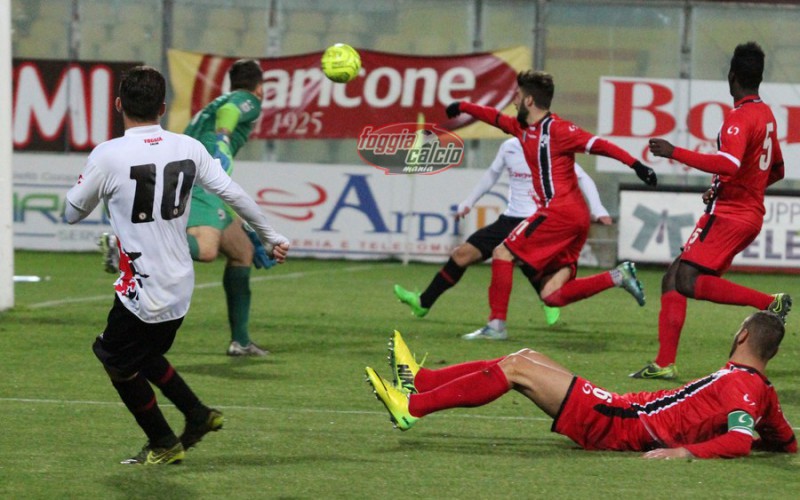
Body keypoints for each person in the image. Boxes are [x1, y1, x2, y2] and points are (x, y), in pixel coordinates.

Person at [64, 66, 290, 465]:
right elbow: (232, 192)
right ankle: (198, 415)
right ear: (163, 108)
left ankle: (163, 441)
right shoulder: (188, 147)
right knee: (145, 354)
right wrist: (271, 236)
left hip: (143, 288)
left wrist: (87, 189)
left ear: (118, 104)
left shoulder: (108, 154)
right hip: (180, 285)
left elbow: (71, 212)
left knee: (114, 359)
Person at [366, 312, 796, 459]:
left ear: (742, 337)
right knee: (528, 356)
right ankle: (420, 381)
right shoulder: (762, 390)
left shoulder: (742, 387)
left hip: (624, 424)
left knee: (517, 367)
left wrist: (685, 450)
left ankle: (412, 408)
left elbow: (740, 440)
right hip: (625, 410)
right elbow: (785, 442)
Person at [445, 70, 657, 340]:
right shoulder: (522, 128)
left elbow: (600, 145)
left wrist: (637, 165)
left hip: (560, 212)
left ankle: (496, 326)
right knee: (552, 295)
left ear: (530, 101)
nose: (513, 100)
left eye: (518, 96)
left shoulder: (559, 130)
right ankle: (618, 276)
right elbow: (494, 117)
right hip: (572, 218)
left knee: (502, 253)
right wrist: (463, 107)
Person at [630, 42, 791, 380]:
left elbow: (729, 164)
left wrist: (674, 152)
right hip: (741, 212)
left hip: (731, 216)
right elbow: (776, 170)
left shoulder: (739, 118)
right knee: (673, 277)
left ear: (732, 77)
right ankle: (664, 363)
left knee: (687, 280)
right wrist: (726, 188)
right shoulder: (766, 115)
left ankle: (769, 302)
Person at [393, 137, 613, 327]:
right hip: (510, 218)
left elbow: (582, 176)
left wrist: (597, 208)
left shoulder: (550, 146)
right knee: (462, 255)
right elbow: (491, 175)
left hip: (539, 220)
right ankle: (423, 303)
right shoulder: (509, 146)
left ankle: (541, 302)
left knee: (524, 262)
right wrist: (469, 202)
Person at [184, 58, 275, 357]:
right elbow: (231, 112)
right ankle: (130, 243)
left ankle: (241, 341)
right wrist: (223, 138)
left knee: (242, 251)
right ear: (259, 87)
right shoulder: (246, 100)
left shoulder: (213, 104)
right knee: (207, 250)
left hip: (193, 174)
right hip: (204, 176)